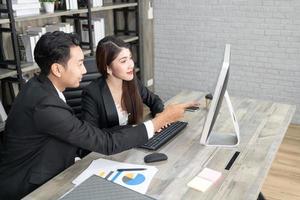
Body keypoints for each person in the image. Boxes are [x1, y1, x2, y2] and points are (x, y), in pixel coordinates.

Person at [0, 31, 190, 200]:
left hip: (54, 168)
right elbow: (104, 143)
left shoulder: (40, 87)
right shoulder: (45, 104)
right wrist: (160, 121)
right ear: (57, 69)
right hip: (31, 188)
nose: (84, 70)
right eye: (80, 64)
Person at [81, 36, 165, 131]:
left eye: (130, 58)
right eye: (123, 61)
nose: (131, 65)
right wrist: (134, 129)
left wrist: (159, 115)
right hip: (114, 144)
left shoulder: (132, 81)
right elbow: (91, 134)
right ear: (108, 68)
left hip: (137, 140)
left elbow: (154, 101)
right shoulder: (92, 93)